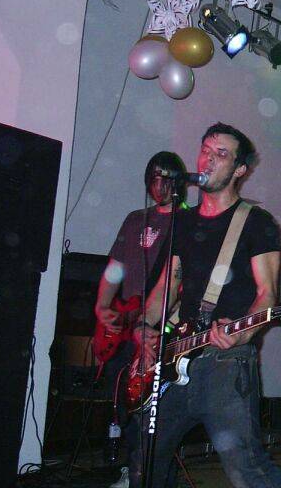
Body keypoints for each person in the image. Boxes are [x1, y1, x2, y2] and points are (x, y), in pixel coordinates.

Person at [128, 122, 281, 488]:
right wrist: (143, 330)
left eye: (221, 154)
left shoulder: (257, 223)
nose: (209, 159)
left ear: (239, 169)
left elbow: (267, 294)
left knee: (244, 467)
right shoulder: (183, 222)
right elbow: (166, 288)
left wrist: (241, 334)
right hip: (175, 359)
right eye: (205, 150)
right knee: (144, 461)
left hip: (225, 363)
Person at [94, 151, 188, 488]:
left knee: (152, 404)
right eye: (154, 178)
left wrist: (157, 323)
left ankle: (150, 473)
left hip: (160, 326)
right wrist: (102, 305)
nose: (159, 186)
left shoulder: (186, 223)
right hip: (126, 323)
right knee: (122, 398)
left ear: (178, 183)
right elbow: (115, 267)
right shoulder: (135, 219)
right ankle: (130, 467)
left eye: (167, 179)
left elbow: (180, 282)